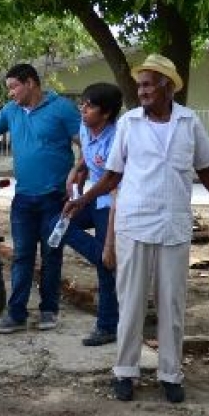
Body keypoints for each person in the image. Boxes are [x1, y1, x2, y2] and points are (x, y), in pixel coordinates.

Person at [64, 53, 209, 404]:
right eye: (140, 85)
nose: (142, 90)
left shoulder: (189, 122)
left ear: (166, 87)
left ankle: (170, 373)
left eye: (148, 84)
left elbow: (206, 169)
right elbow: (113, 175)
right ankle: (125, 372)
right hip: (134, 223)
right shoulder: (130, 123)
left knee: (172, 305)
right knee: (129, 303)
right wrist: (83, 200)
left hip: (173, 225)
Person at [0, 64, 80, 334]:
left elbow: (86, 141)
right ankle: (16, 314)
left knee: (52, 255)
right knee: (22, 256)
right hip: (24, 198)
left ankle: (49, 311)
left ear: (30, 83)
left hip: (55, 198)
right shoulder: (11, 111)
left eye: (14, 87)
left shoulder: (61, 108)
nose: (11, 93)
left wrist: (77, 171)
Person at [60, 83, 123, 346]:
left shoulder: (116, 139)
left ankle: (107, 326)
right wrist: (76, 170)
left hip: (112, 203)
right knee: (59, 224)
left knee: (106, 273)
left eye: (90, 106)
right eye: (82, 104)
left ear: (106, 113)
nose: (83, 110)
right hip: (93, 200)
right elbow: (88, 158)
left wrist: (84, 198)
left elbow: (111, 181)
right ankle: (102, 257)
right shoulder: (86, 130)